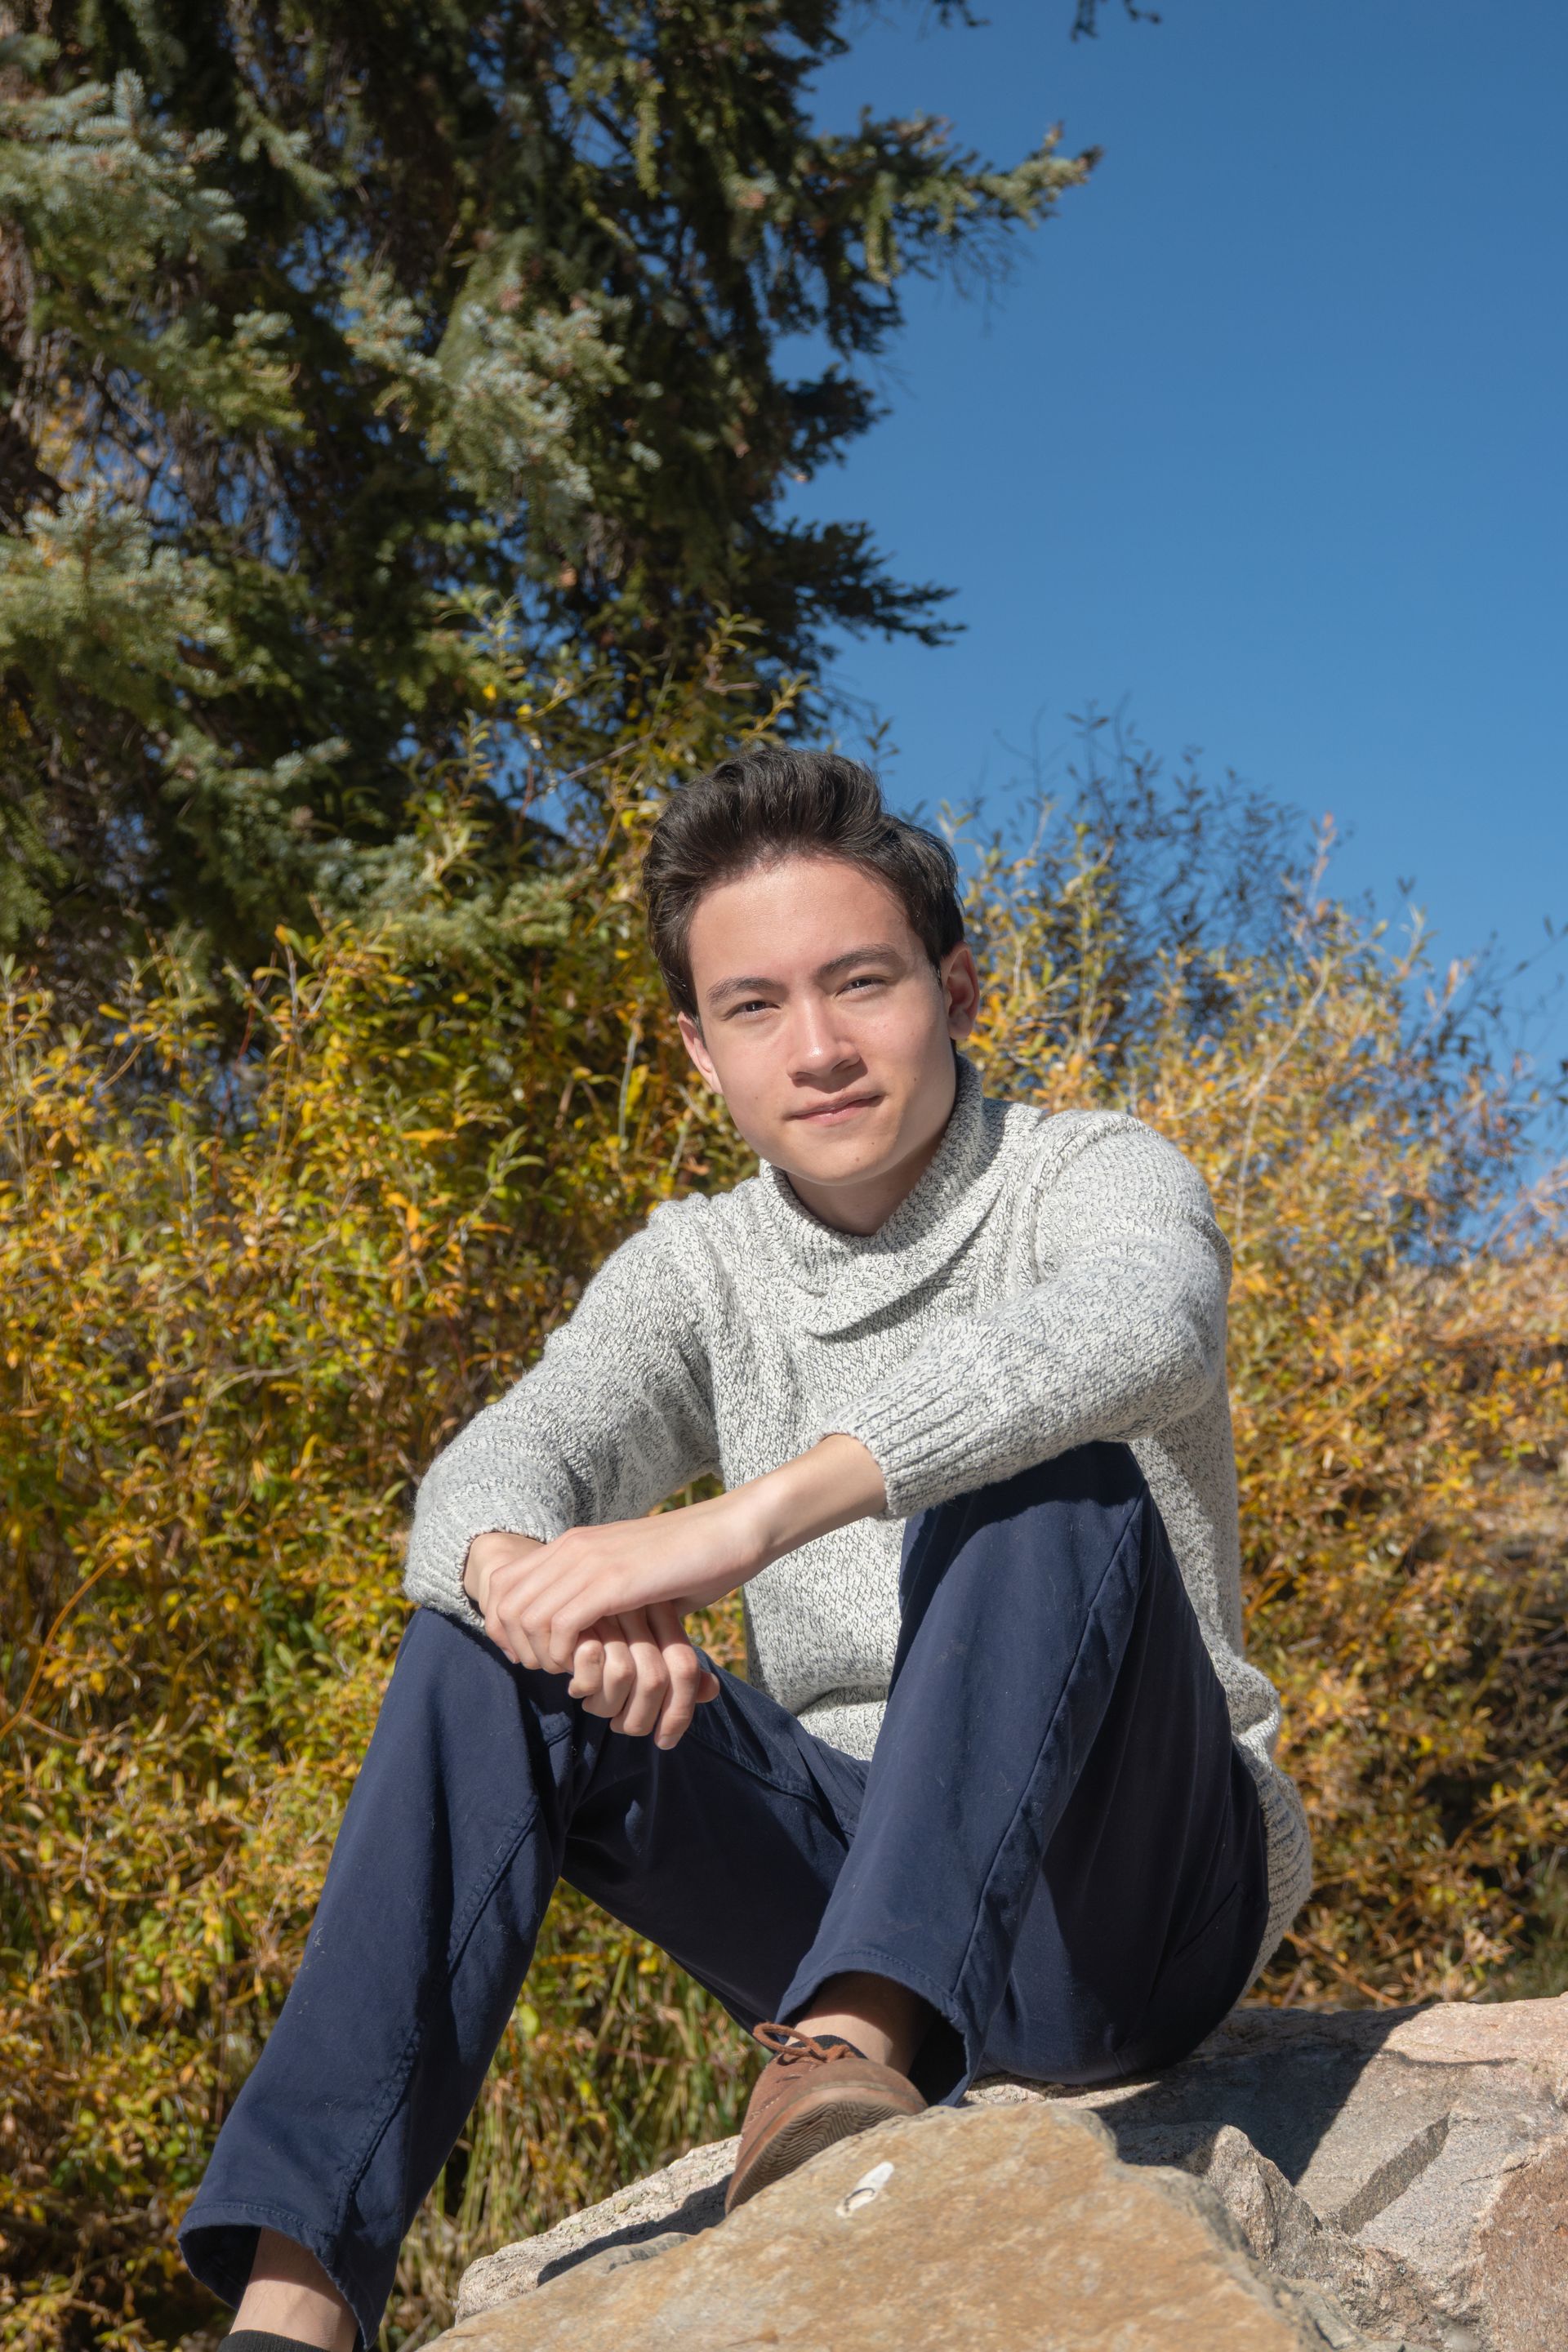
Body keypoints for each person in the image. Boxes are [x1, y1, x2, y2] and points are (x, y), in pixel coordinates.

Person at [181, 748, 1311, 2352]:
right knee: (477, 1639)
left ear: (958, 986)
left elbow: (1139, 1327)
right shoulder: (699, 1267)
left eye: (864, 983)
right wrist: (545, 1590)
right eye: (760, 1007)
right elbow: (489, 1471)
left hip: (1119, 1907)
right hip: (843, 1861)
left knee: (1043, 1473)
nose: (824, 1047)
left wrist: (733, 1524)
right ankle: (296, 2298)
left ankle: (858, 2044)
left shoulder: (1093, 1175)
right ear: (701, 1053)